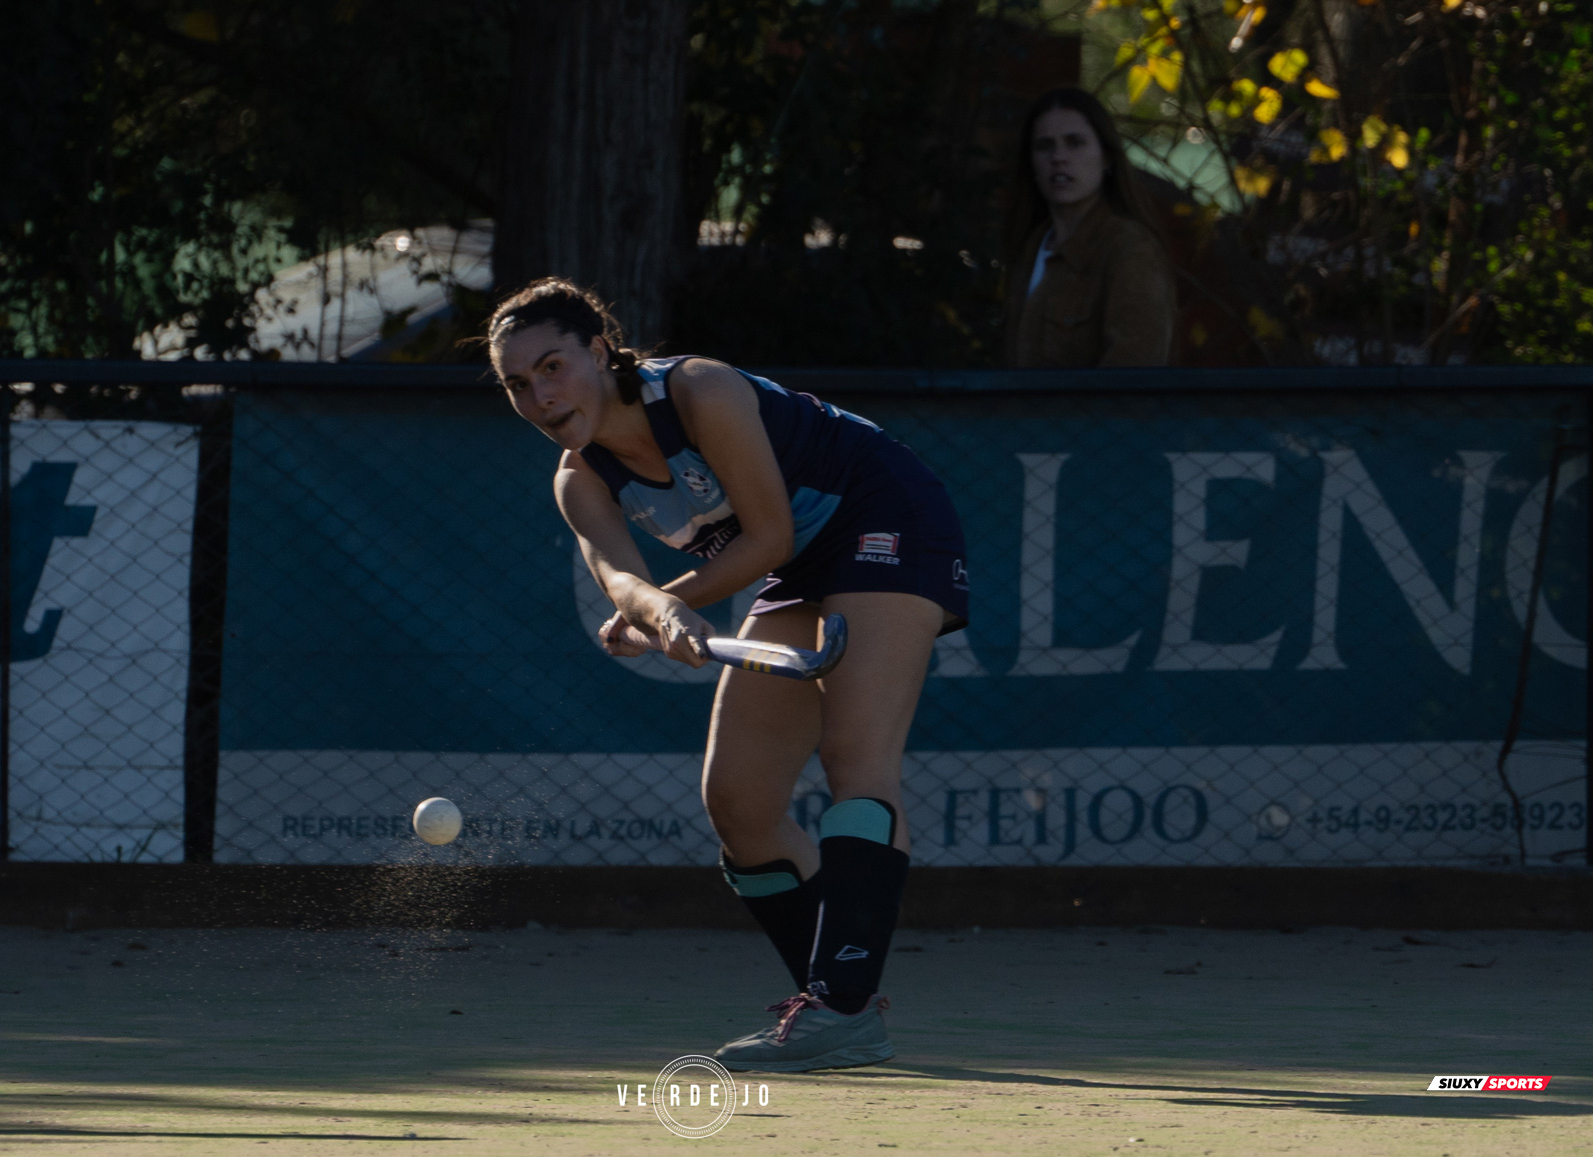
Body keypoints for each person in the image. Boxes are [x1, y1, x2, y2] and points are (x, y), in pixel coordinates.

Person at [487, 278, 970, 1073]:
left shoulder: (699, 389)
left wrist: (672, 607)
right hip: (799, 566)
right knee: (739, 802)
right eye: (516, 384)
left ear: (601, 353)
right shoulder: (579, 480)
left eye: (551, 367)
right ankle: (835, 995)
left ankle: (842, 1007)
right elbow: (621, 581)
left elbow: (771, 534)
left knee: (856, 759)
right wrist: (656, 610)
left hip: (883, 516)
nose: (539, 395)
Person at [1004, 86, 1176, 368]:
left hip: (1093, 412)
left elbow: (1135, 371)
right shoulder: (1031, 247)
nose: (1058, 157)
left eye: (1075, 143)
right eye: (1045, 146)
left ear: (1106, 157)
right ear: (1031, 163)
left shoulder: (1129, 248)